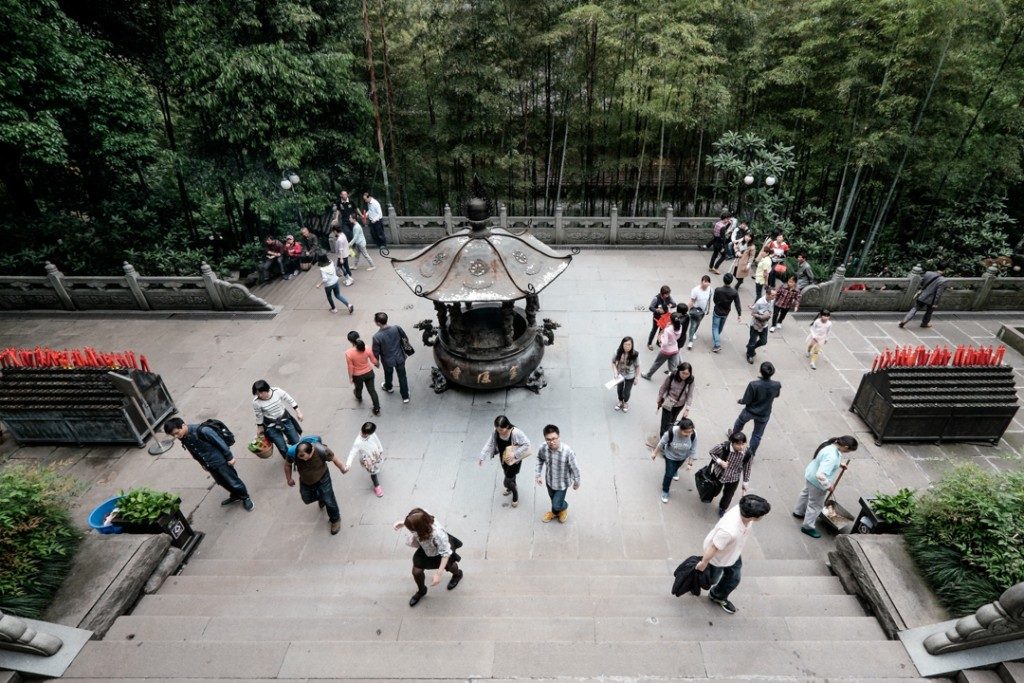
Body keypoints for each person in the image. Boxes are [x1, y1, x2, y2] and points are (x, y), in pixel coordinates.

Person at [695, 494, 772, 614]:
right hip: (717, 558)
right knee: (712, 579)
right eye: (762, 515)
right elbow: (714, 546)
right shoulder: (729, 530)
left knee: (734, 578)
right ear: (753, 517)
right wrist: (704, 562)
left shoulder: (743, 507)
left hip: (733, 552)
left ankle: (717, 595)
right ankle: (694, 581)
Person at [162, 417, 253, 511]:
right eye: (173, 435)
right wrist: (202, 463)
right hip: (208, 464)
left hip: (220, 461)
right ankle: (235, 495)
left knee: (233, 481)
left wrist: (230, 457)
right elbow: (194, 452)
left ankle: (245, 497)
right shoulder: (183, 437)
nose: (176, 436)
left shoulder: (203, 431)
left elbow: (220, 443)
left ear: (183, 425)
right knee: (221, 481)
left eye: (177, 433)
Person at [393, 508, 463, 607]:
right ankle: (422, 591)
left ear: (419, 528)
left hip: (441, 551)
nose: (410, 530)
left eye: (412, 529)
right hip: (427, 549)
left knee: (450, 565)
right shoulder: (423, 517)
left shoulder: (438, 535)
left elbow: (445, 554)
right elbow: (417, 520)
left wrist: (438, 574)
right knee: (416, 571)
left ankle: (457, 575)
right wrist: (403, 523)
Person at [794, 435, 858, 538]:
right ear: (845, 447)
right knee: (815, 505)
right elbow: (820, 475)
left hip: (810, 474)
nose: (848, 453)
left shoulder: (829, 443)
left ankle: (798, 512)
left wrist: (839, 464)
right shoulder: (832, 457)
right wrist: (828, 486)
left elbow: (825, 460)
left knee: (806, 492)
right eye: (849, 451)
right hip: (817, 483)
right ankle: (807, 527)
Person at [285, 436, 349, 535]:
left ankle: (335, 519)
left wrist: (342, 468)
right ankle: (321, 497)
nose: (303, 459)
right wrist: (289, 479)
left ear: (312, 451)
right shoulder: (293, 453)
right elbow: (287, 465)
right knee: (306, 498)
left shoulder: (322, 450)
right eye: (300, 456)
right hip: (305, 480)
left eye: (304, 456)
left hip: (323, 478)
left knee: (329, 499)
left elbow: (334, 458)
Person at [478, 415, 531, 508]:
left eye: (501, 430)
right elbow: (489, 442)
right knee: (508, 475)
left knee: (506, 481)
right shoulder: (496, 431)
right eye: (497, 429)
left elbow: (527, 443)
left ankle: (515, 494)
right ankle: (512, 486)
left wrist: (514, 454)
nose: (499, 431)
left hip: (514, 460)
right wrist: (482, 456)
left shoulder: (516, 433)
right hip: (503, 458)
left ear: (507, 426)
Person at [730, 361, 781, 456]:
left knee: (740, 423)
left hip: (750, 411)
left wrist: (740, 401)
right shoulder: (776, 385)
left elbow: (747, 400)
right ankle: (750, 454)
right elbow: (776, 395)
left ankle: (733, 438)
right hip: (764, 413)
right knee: (757, 435)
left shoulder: (754, 384)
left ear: (760, 371)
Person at [535, 424, 581, 523]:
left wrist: (577, 482)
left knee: (556, 504)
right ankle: (557, 510)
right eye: (548, 439)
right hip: (549, 481)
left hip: (562, 484)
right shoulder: (543, 447)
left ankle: (561, 509)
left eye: (554, 438)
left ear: (559, 436)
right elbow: (539, 458)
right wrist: (538, 474)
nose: (551, 442)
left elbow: (575, 468)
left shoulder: (568, 452)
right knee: (553, 500)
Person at [252, 380, 303, 458]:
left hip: (285, 419)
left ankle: (298, 457)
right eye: (257, 393)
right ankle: (289, 461)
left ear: (267, 389)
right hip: (271, 425)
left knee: (296, 441)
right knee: (282, 447)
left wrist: (298, 412)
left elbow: (290, 400)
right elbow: (259, 416)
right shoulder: (256, 402)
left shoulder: (277, 391)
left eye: (261, 392)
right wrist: (259, 430)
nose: (259, 395)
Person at [707, 431, 754, 516]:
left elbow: (747, 467)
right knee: (714, 490)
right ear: (732, 443)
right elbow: (712, 452)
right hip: (719, 474)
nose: (741, 447)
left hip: (734, 477)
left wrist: (745, 482)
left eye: (743, 444)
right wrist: (720, 461)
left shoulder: (747, 453)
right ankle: (709, 495)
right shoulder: (723, 447)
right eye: (738, 444)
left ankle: (722, 508)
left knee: (728, 495)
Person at [652, 417, 697, 503]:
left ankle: (675, 471)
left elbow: (693, 449)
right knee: (669, 474)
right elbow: (662, 443)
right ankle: (665, 490)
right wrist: (655, 453)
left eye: (690, 431)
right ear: (680, 429)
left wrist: (690, 463)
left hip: (683, 457)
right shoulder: (671, 432)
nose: (688, 434)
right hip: (670, 455)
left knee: (676, 467)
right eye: (686, 432)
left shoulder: (694, 435)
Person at [372, 312, 411, 404]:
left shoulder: (376, 337)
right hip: (400, 356)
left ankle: (388, 387)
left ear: (378, 323)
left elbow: (376, 351)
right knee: (402, 376)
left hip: (387, 360)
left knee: (388, 373)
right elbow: (405, 339)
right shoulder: (396, 328)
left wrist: (376, 362)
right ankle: (405, 396)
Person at [899, 264, 948, 329]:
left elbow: (922, 283)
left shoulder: (928, 273)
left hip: (923, 295)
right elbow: (938, 293)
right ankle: (924, 323)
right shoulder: (943, 280)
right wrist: (935, 303)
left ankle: (904, 321)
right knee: (929, 312)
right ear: (945, 270)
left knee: (915, 308)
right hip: (932, 300)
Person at [346, 331, 381, 416]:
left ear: (350, 341)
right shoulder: (367, 348)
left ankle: (358, 397)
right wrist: (377, 364)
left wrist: (350, 377)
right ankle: (377, 409)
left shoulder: (349, 353)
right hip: (369, 373)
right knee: (372, 391)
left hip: (357, 376)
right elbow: (373, 360)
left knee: (358, 388)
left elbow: (350, 367)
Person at [656, 362, 695, 438]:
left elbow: (690, 395)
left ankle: (669, 434)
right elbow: (664, 387)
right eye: (683, 373)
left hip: (680, 404)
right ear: (679, 371)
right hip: (668, 401)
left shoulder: (690, 380)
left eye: (687, 373)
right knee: (665, 422)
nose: (684, 375)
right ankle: (663, 439)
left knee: (673, 420)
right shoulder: (672, 376)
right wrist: (659, 397)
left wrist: (687, 409)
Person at [642, 313, 684, 379]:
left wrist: (660, 338)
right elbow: (677, 337)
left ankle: (648, 375)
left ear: (670, 320)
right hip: (675, 349)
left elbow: (665, 343)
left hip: (666, 351)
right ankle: (674, 380)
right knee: (672, 368)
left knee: (657, 363)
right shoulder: (680, 327)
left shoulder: (668, 330)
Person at [349, 421, 385, 497]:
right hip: (368, 460)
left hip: (375, 454)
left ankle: (376, 471)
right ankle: (377, 486)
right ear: (366, 433)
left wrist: (380, 449)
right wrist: (348, 464)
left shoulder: (371, 433)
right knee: (373, 473)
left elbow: (377, 440)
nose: (373, 433)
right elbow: (352, 453)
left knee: (377, 466)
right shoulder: (358, 442)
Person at [710, 273, 742, 353]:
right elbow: (737, 303)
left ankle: (717, 344)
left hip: (717, 311)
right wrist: (739, 314)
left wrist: (718, 304)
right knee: (720, 327)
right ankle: (716, 336)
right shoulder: (734, 292)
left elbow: (714, 300)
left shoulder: (718, 290)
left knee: (715, 327)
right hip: (726, 312)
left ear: (723, 280)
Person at [744, 288, 775, 364]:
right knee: (752, 341)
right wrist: (762, 316)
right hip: (756, 325)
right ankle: (749, 354)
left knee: (763, 341)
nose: (774, 296)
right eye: (772, 295)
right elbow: (753, 313)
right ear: (767, 294)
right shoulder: (759, 302)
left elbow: (771, 310)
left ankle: (751, 348)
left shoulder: (772, 301)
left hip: (764, 325)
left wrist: (769, 314)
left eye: (775, 295)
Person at [611, 336, 640, 412]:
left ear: (632, 345)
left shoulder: (635, 354)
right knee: (619, 389)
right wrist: (615, 373)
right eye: (625, 344)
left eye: (629, 345)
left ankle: (625, 402)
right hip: (620, 375)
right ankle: (620, 401)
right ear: (622, 344)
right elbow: (613, 362)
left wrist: (637, 377)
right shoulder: (617, 352)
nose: (627, 347)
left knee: (627, 391)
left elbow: (637, 366)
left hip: (630, 376)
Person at [686, 275, 713, 350]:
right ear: (701, 282)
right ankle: (690, 341)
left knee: (697, 323)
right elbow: (692, 301)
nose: (706, 285)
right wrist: (686, 310)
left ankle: (693, 332)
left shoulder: (710, 290)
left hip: (702, 312)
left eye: (708, 283)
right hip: (695, 310)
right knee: (693, 325)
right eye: (705, 283)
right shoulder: (695, 290)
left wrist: (707, 310)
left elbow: (709, 300)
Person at [647, 285, 675, 350]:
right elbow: (650, 307)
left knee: (661, 330)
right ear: (662, 293)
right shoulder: (656, 298)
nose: (667, 296)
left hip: (665, 317)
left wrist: (671, 305)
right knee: (654, 330)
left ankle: (658, 341)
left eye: (668, 294)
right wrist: (656, 310)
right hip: (657, 317)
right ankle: (649, 343)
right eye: (666, 294)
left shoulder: (669, 297)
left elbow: (674, 304)